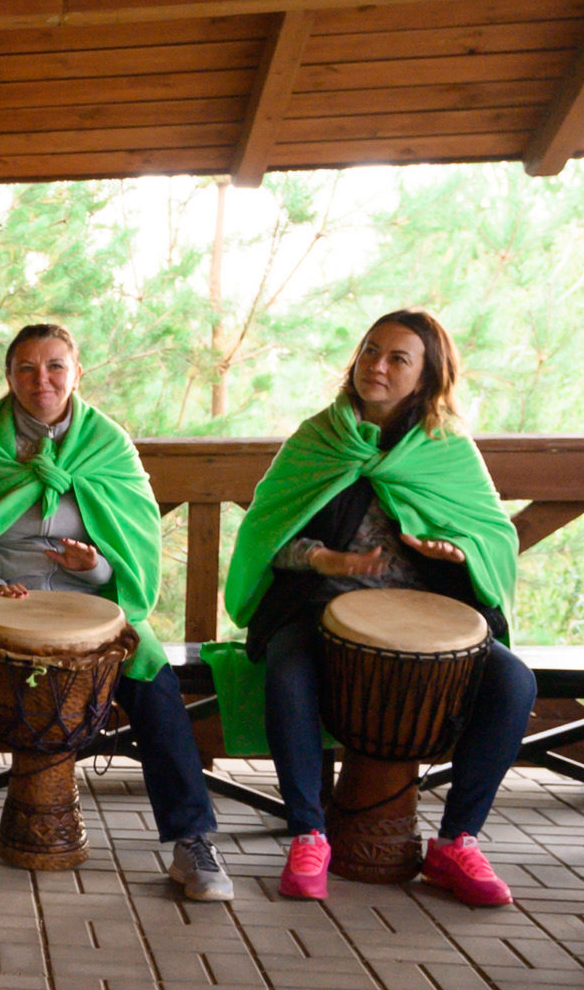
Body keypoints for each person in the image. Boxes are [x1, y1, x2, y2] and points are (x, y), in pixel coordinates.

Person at [0, 325, 231, 899]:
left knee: (153, 681)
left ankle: (193, 841)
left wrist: (95, 568)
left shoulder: (108, 447)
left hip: (94, 608)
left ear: (77, 373)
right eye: (27, 369)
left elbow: (134, 547)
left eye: (55, 366)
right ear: (9, 378)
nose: (43, 380)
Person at [223, 310, 532, 906]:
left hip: (429, 624)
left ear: (427, 378)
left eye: (398, 359)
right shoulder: (320, 439)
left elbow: (494, 537)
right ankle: (308, 833)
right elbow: (266, 537)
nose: (378, 366)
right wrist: (324, 560)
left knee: (514, 682)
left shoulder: (448, 453)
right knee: (287, 670)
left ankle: (457, 842)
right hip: (321, 613)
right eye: (371, 351)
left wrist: (457, 551)